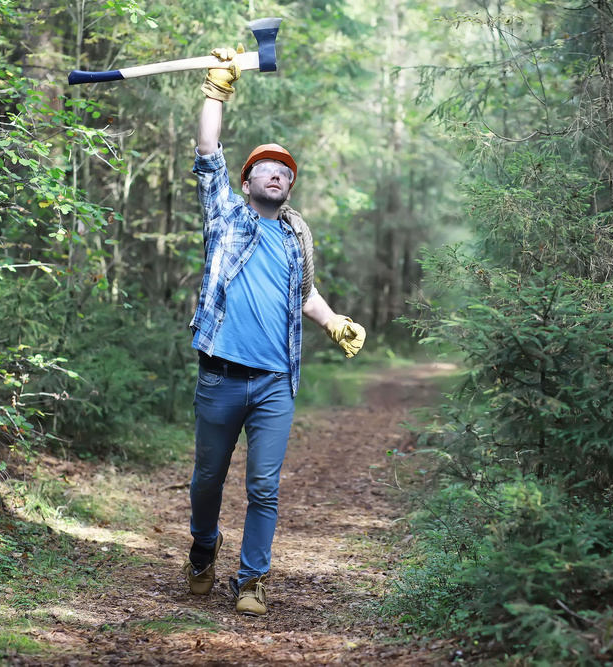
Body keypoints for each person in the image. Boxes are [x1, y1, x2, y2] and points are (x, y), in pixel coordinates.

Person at [182, 45, 366, 617]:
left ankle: (252, 580)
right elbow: (208, 151)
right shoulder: (227, 216)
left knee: (264, 486)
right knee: (208, 480)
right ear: (248, 180)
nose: (278, 173)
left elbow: (303, 294)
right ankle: (204, 547)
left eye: (286, 171)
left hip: (274, 383)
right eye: (267, 167)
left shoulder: (295, 240)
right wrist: (216, 92)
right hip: (220, 376)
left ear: (289, 187)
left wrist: (333, 320)